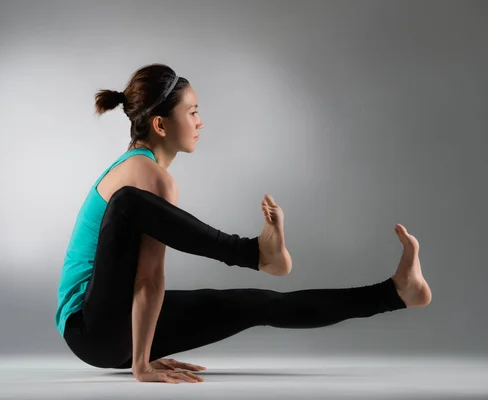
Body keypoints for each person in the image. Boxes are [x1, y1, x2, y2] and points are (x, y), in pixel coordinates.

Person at [55, 63, 432, 384]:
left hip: (114, 332)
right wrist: (141, 365)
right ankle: (253, 252)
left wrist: (143, 354)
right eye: (192, 112)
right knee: (126, 204)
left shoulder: (153, 178)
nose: (201, 122)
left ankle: (395, 293)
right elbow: (147, 279)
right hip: (88, 327)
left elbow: (147, 276)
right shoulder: (145, 175)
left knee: (254, 303)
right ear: (160, 124)